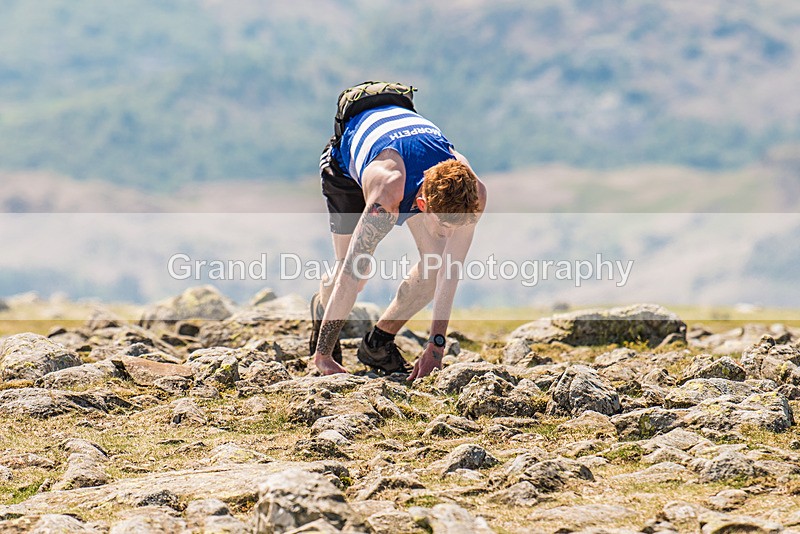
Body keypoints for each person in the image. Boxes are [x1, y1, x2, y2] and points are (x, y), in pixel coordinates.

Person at [310, 99, 487, 380]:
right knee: (357, 270)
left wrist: (436, 348)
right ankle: (322, 316)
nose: (448, 233)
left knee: (435, 263)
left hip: (408, 158)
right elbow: (349, 274)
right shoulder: (387, 195)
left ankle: (378, 344)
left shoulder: (473, 194)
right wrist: (324, 356)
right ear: (422, 203)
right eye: (443, 225)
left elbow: (449, 272)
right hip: (347, 167)